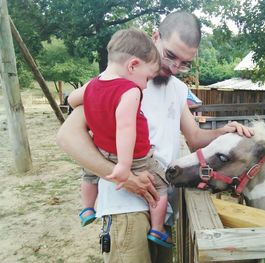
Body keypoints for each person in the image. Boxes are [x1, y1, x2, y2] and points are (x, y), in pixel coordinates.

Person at [57, 11, 254, 263]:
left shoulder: (178, 88)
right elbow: (67, 136)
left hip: (162, 203)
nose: (174, 68)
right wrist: (124, 176)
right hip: (125, 206)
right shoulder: (117, 80)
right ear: (155, 37)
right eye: (170, 56)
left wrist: (225, 133)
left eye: (184, 63)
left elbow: (194, 137)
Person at [67, 28, 172, 247]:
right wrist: (124, 166)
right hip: (135, 157)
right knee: (162, 187)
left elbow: (72, 100)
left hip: (102, 152)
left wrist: (93, 99)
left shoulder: (93, 85)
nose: (145, 85)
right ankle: (157, 229)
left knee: (89, 175)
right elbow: (126, 128)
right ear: (133, 65)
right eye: (147, 78)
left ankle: (87, 209)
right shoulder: (130, 90)